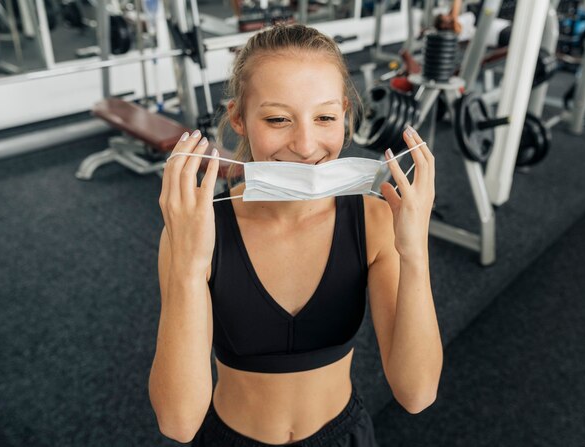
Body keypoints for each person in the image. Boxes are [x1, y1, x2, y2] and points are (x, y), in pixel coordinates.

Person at [149, 24, 443, 447]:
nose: (306, 146)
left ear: (344, 112)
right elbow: (177, 422)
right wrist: (189, 267)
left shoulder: (376, 221)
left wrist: (415, 252)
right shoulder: (198, 229)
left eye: (325, 117)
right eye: (278, 119)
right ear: (238, 118)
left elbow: (417, 394)